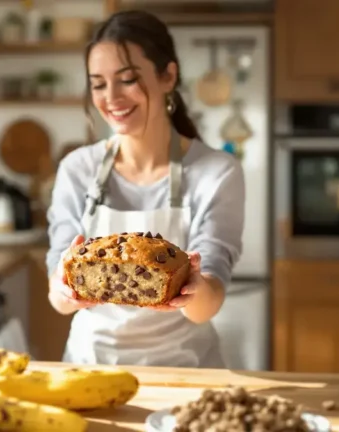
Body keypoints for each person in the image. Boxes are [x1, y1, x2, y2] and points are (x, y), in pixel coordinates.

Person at [45, 10, 245, 368]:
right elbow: (57, 296)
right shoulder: (77, 169)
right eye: (98, 84)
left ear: (168, 76)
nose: (111, 98)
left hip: (185, 369)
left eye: (127, 79)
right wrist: (65, 289)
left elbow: (209, 299)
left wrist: (194, 289)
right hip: (90, 365)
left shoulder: (216, 172)